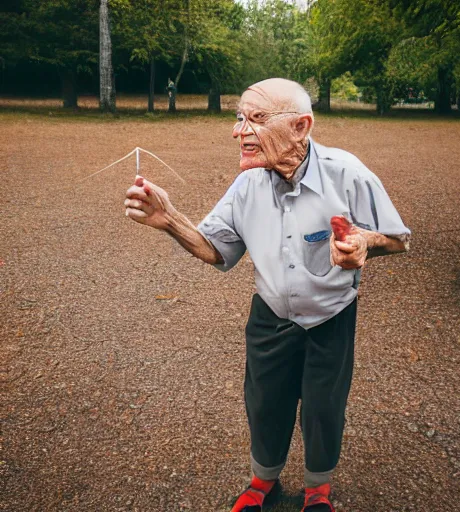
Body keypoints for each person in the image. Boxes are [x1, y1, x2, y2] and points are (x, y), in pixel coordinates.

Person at [124, 78, 411, 512]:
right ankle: (263, 482)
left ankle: (318, 489)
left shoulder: (347, 173)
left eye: (256, 119)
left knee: (323, 407)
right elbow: (216, 249)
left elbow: (399, 239)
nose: (238, 131)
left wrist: (365, 243)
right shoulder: (247, 186)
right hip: (270, 314)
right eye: (239, 118)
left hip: (331, 315)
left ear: (300, 127)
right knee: (264, 401)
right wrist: (169, 219)